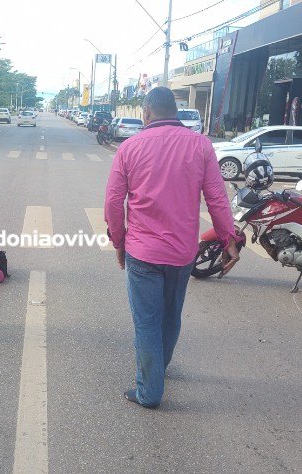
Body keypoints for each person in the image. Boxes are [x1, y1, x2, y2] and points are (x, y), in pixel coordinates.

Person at [104, 87, 240, 408]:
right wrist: (228, 239)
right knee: (170, 314)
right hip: (182, 253)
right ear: (175, 113)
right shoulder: (201, 146)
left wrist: (119, 243)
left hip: (143, 252)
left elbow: (112, 202)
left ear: (147, 114)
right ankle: (158, 369)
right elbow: (217, 199)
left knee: (147, 321)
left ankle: (150, 391)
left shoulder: (130, 147)